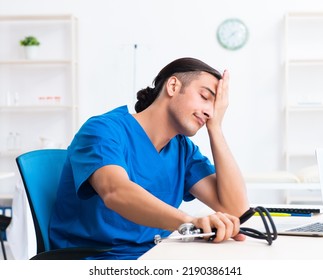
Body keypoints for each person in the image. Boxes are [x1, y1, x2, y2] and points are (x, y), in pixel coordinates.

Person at [49, 57, 249, 260]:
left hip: (154, 258)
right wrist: (189, 222)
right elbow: (115, 191)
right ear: (172, 86)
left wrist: (215, 128)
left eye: (215, 107)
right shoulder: (103, 130)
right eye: (205, 97)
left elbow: (237, 210)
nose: (210, 112)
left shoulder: (183, 150)